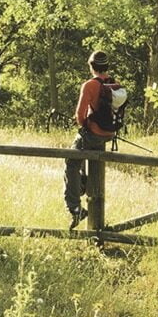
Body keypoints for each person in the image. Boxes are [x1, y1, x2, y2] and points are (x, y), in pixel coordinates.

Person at [64, 50, 121, 229]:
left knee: (71, 162)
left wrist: (83, 124)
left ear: (91, 66)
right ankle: (84, 186)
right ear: (106, 66)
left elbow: (80, 115)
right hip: (108, 135)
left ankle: (75, 207)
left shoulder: (89, 85)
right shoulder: (115, 84)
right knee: (84, 160)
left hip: (92, 134)